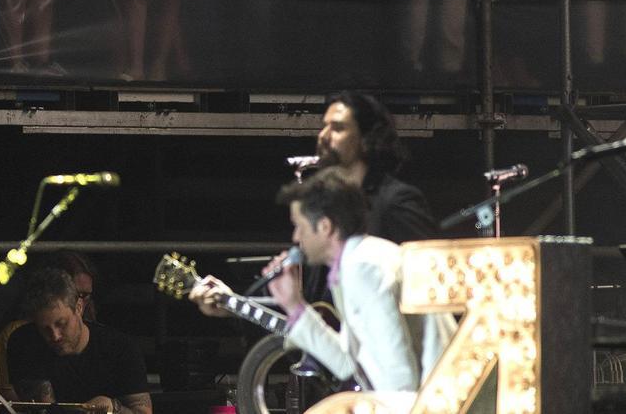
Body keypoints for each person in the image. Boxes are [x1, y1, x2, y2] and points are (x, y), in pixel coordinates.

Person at [191, 167, 456, 392]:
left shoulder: (365, 269)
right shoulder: (356, 263)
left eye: (300, 226)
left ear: (325, 227)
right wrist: (295, 306)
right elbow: (346, 364)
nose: (296, 237)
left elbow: (398, 379)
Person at [5, 267, 152, 414]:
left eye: (62, 324)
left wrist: (114, 408)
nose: (55, 336)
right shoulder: (24, 342)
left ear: (79, 308)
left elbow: (143, 411)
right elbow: (42, 405)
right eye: (45, 329)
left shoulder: (120, 348)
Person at [313, 91, 435, 244]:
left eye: (338, 128)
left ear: (367, 138)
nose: (323, 136)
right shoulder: (331, 201)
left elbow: (427, 263)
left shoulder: (395, 202)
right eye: (324, 126)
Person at [0, 251, 100, 400]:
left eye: (86, 295)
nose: (81, 303)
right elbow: (6, 393)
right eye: (76, 294)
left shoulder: (100, 337)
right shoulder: (18, 335)